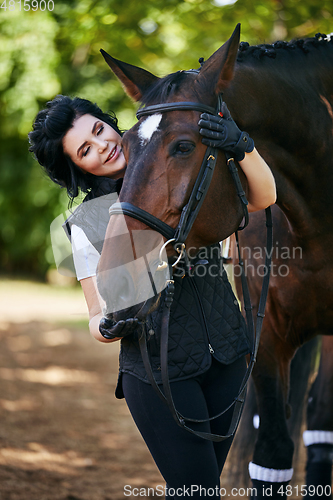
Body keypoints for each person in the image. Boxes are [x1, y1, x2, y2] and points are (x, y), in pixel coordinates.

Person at [29, 95, 276, 497]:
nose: (103, 144)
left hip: (230, 356)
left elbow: (264, 197)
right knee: (197, 490)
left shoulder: (182, 168)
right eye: (85, 150)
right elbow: (95, 316)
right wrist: (107, 326)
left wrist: (242, 145)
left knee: (202, 489)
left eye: (98, 130)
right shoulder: (81, 225)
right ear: (75, 167)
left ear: (110, 123)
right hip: (158, 374)